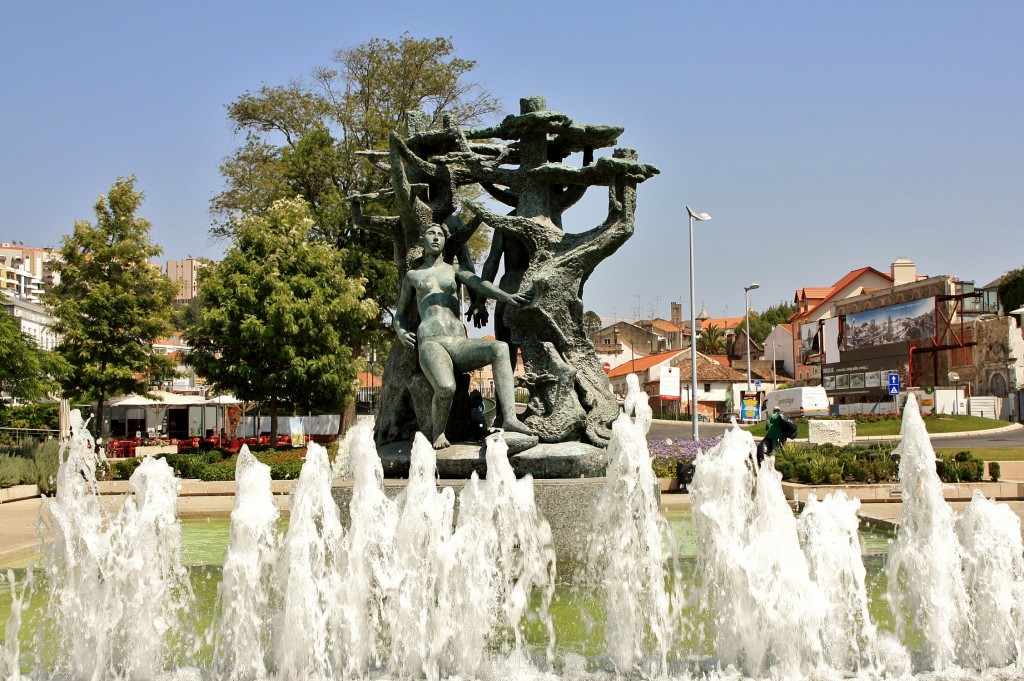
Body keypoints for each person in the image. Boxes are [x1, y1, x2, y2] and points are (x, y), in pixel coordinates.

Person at [394, 223, 535, 449]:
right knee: (447, 387)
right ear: (422, 239)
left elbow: (481, 284)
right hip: (431, 342)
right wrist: (401, 331)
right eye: (431, 233)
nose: (436, 238)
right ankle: (438, 433)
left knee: (499, 348)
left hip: (458, 341)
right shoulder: (414, 275)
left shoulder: (454, 270)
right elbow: (400, 313)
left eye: (441, 234)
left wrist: (506, 297)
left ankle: (510, 419)